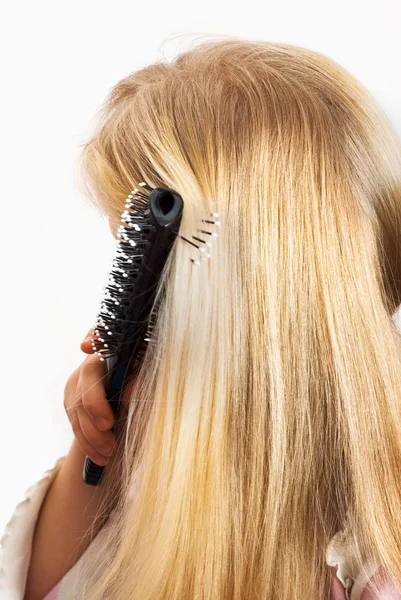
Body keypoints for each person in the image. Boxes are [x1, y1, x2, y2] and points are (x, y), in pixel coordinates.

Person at [2, 38, 401, 600]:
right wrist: (100, 442)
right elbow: (34, 586)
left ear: (207, 309)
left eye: (136, 254)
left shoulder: (373, 567)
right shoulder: (163, 491)